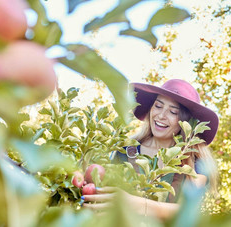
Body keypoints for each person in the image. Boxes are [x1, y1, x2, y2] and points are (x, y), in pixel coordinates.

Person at [82, 79, 219, 220]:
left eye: (173, 112)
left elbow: (188, 210)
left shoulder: (194, 163)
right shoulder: (125, 151)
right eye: (158, 106)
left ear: (185, 122)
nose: (161, 115)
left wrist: (139, 204)